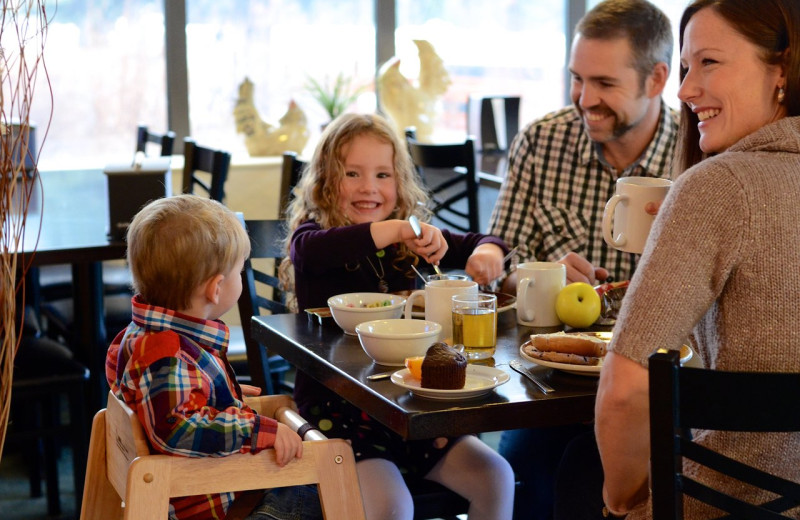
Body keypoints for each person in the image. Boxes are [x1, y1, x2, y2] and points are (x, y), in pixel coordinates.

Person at [557, 0, 800, 518]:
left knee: (576, 473)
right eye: (687, 68)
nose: (686, 90)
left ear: (781, 69)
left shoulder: (719, 187)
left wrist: (623, 504)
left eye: (709, 63)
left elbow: (625, 394)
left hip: (728, 502)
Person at [490, 1, 677, 518]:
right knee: (523, 475)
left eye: (604, 83)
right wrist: (536, 276)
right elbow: (502, 259)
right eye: (576, 79)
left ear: (657, 78)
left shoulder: (698, 156)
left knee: (583, 479)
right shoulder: (541, 141)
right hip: (551, 384)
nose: (584, 98)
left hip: (650, 391)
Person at [279, 112, 515, 520]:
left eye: (383, 175)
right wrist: (396, 229)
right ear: (324, 181)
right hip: (339, 419)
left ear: (399, 182)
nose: (369, 187)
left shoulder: (407, 239)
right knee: (392, 508)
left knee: (497, 476)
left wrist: (486, 254)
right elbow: (312, 250)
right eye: (352, 173)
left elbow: (484, 239)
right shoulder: (313, 235)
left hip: (412, 413)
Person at [105, 195, 318, 520]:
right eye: (239, 269)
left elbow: (141, 390)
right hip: (211, 502)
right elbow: (177, 428)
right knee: (310, 493)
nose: (240, 276)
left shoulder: (139, 335)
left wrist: (214, 393)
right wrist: (258, 429)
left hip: (195, 491)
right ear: (216, 288)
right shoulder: (167, 352)